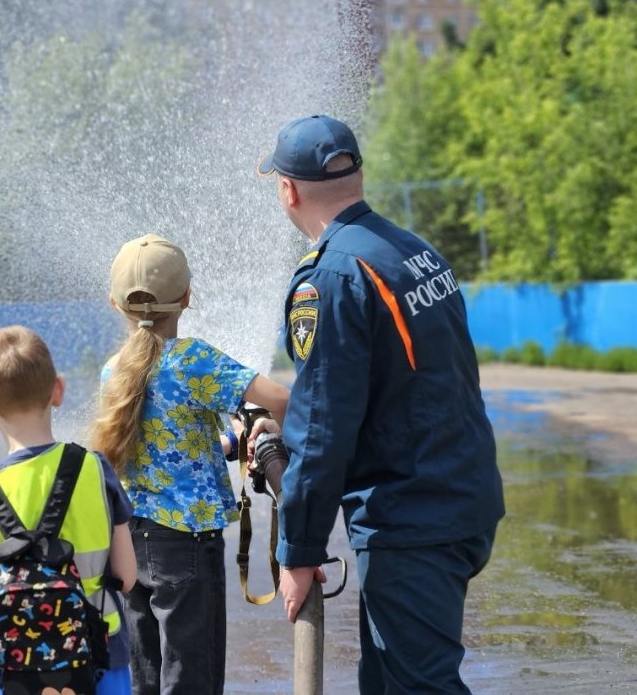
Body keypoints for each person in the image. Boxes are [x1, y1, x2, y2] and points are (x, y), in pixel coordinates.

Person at [253, 115, 505, 693]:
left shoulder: (332, 277)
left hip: (413, 519)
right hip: (457, 496)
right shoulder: (410, 249)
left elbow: (322, 429)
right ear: (358, 175)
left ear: (288, 190)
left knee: (419, 686)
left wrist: (298, 551)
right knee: (389, 681)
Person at [89, 234, 290, 695]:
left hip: (130, 540)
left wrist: (228, 442)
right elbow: (282, 400)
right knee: (191, 676)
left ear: (115, 304)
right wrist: (271, 432)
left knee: (147, 674)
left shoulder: (113, 370)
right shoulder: (193, 359)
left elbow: (162, 447)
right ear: (186, 298)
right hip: (187, 543)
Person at [0, 325, 137, 695]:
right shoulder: (94, 471)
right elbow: (127, 575)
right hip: (101, 656)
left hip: (14, 670)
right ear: (58, 390)